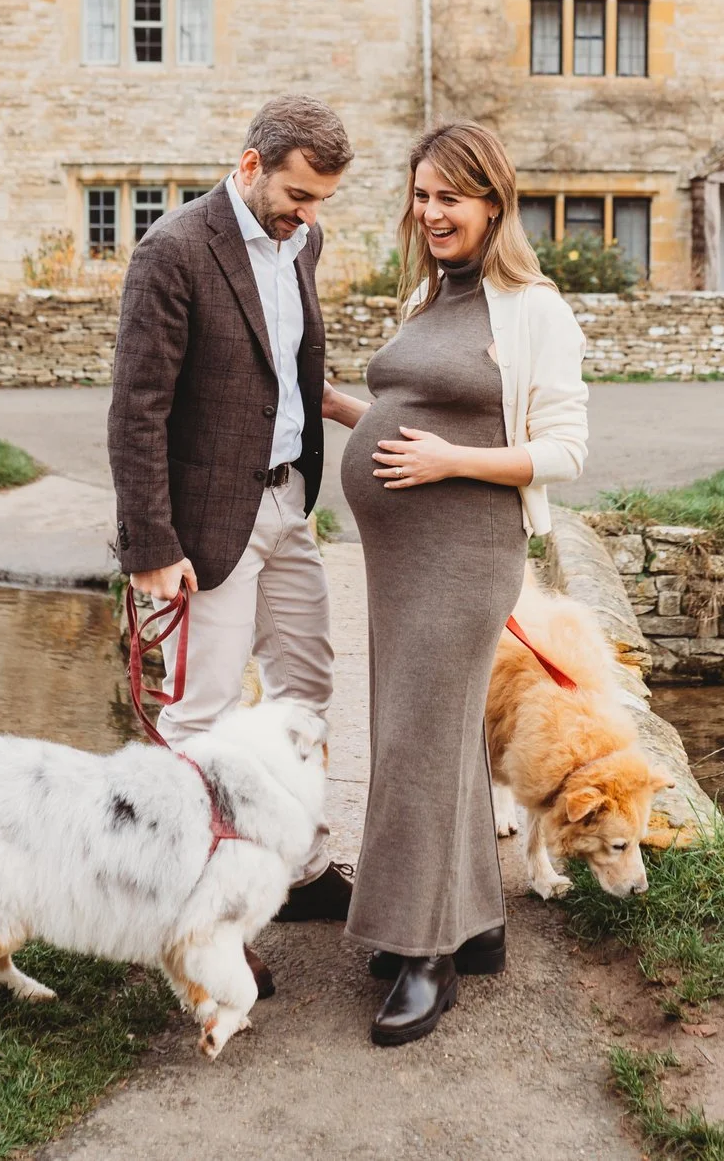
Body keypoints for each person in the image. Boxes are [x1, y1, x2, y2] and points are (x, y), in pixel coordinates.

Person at [336, 120, 590, 1047]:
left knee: (424, 740)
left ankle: (426, 953)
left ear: (493, 202)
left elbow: (564, 446)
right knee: (416, 730)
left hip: (467, 552)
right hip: (400, 558)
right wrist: (351, 413)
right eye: (422, 193)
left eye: (451, 195)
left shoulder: (533, 308)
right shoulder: (428, 292)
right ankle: (476, 926)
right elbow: (416, 419)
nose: (431, 211)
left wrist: (451, 460)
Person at [109, 93, 367, 934]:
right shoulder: (172, 252)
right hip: (205, 522)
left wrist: (364, 415)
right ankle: (201, 909)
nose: (310, 215)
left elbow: (282, 370)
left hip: (290, 502)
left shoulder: (305, 241)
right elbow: (137, 408)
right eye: (299, 195)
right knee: (202, 715)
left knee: (307, 687)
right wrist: (150, 544)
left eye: (323, 199)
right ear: (252, 166)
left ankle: (298, 865)